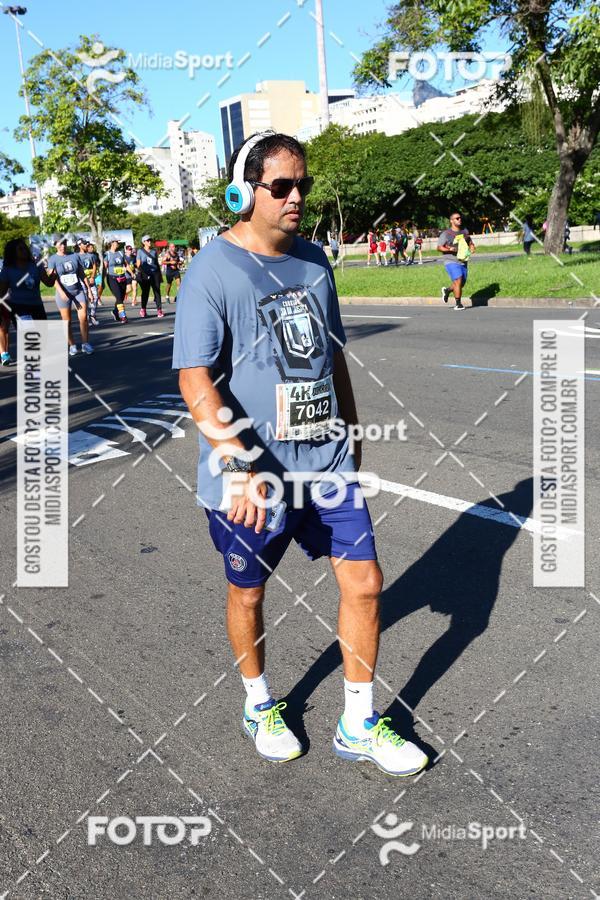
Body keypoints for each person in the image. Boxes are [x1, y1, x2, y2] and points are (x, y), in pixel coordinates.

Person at [173, 131, 428, 777]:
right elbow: (194, 379)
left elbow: (331, 353)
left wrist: (354, 430)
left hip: (327, 463)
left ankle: (359, 722)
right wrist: (236, 463)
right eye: (280, 186)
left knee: (366, 583)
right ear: (244, 191)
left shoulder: (316, 261)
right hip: (253, 474)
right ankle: (259, 704)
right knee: (250, 595)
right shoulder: (211, 269)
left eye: (302, 186)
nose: (296, 197)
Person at [0, 237, 52, 365]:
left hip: (37, 305)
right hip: (18, 307)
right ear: (13, 252)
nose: (24, 251)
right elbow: (1, 293)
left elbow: (49, 283)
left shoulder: (35, 266)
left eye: (25, 248)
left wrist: (55, 275)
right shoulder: (8, 270)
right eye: (20, 249)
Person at [46, 237, 94, 354]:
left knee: (83, 318)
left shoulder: (74, 256)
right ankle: (72, 345)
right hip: (63, 294)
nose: (63, 246)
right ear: (55, 245)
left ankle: (85, 344)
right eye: (60, 244)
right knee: (66, 321)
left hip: (77, 291)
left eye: (65, 243)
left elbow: (82, 274)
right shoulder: (52, 259)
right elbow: (52, 279)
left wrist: (89, 290)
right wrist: (61, 292)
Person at [437, 212, 476, 311]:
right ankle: (458, 304)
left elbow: (470, 243)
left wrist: (472, 247)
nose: (459, 219)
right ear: (451, 221)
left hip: (463, 261)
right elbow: (439, 247)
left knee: (460, 284)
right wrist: (450, 249)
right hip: (450, 260)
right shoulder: (446, 234)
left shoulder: (464, 232)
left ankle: (447, 290)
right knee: (458, 280)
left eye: (460, 218)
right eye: (457, 218)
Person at [104, 238, 132, 324]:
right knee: (119, 296)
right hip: (112, 278)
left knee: (121, 298)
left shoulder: (120, 253)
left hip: (122, 278)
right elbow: (105, 267)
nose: (118, 244)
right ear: (112, 243)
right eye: (116, 242)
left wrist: (132, 273)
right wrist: (102, 279)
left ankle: (115, 312)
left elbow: (126, 264)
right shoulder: (107, 254)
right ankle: (123, 316)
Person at [136, 235, 163, 318]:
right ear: (143, 242)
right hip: (145, 274)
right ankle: (143, 309)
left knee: (157, 292)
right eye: (147, 241)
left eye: (150, 240)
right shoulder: (140, 251)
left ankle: (159, 310)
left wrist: (160, 275)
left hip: (154, 273)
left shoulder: (154, 251)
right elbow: (138, 265)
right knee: (145, 292)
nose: (149, 242)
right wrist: (144, 274)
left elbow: (156, 264)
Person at [77, 239, 99, 325]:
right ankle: (86, 318)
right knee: (85, 300)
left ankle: (92, 315)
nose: (86, 245)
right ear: (79, 245)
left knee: (95, 297)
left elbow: (94, 266)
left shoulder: (91, 255)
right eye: (84, 244)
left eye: (86, 243)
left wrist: (93, 277)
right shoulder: (76, 256)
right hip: (82, 282)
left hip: (91, 280)